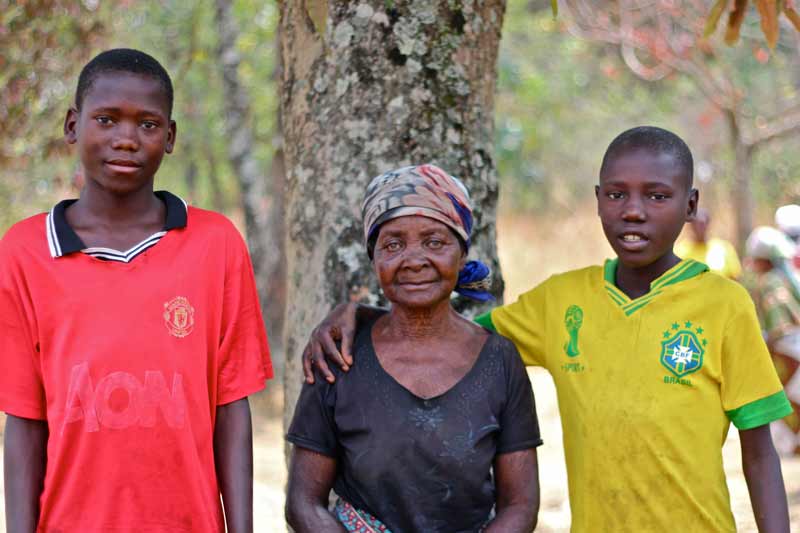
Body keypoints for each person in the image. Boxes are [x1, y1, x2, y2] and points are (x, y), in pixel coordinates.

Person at [304, 127, 793, 532]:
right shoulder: (562, 301)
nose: (634, 210)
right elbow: (451, 332)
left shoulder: (725, 305)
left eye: (657, 196)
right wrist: (362, 314)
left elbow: (758, 454)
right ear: (598, 200)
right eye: (617, 194)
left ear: (690, 205)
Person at [0, 49, 272, 532]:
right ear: (72, 125)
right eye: (106, 119)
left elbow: (231, 406)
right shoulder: (24, 251)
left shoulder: (216, 244)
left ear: (169, 137)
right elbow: (24, 418)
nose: (125, 139)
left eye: (147, 124)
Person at [285, 164, 542, 533]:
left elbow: (520, 505)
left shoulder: (499, 361)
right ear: (374, 259)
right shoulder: (338, 355)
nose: (414, 259)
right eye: (393, 244)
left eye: (435, 242)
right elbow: (303, 504)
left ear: (461, 253)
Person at [744, 226, 800, 456]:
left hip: (789, 354)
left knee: (788, 404)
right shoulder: (786, 279)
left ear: (763, 260)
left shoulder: (768, 283)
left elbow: (778, 329)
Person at [674, 207, 742, 279]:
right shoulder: (680, 252)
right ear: (690, 226)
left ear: (708, 224)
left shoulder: (723, 249)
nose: (700, 228)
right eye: (697, 224)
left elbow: (735, 278)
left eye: (703, 224)